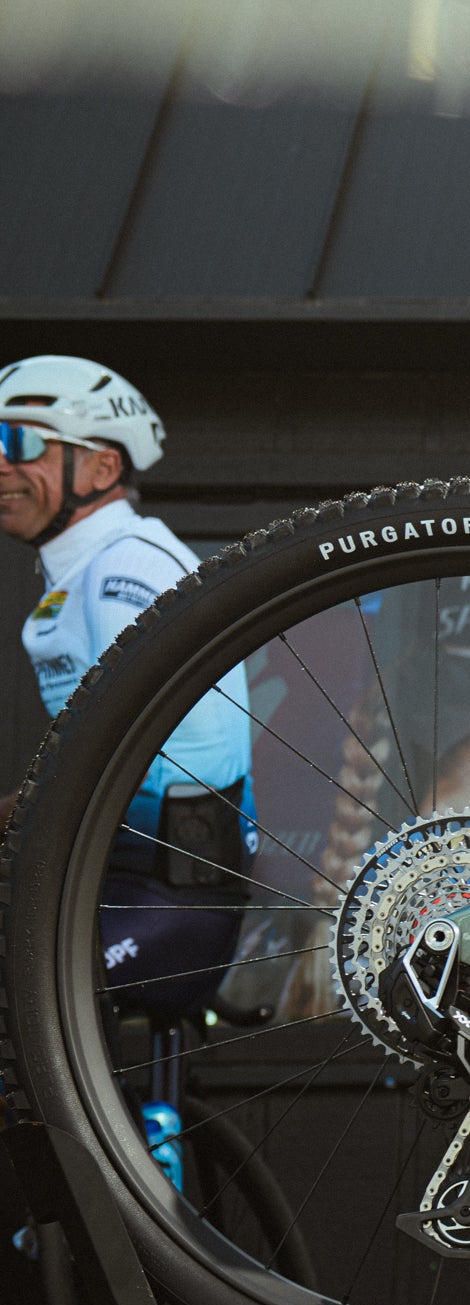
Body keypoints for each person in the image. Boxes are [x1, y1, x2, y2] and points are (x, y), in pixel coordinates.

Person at [0, 355, 254, 1017]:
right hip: (118, 890)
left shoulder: (126, 568)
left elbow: (122, 751)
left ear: (102, 467)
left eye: (18, 439)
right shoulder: (86, 570)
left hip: (168, 906)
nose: (0, 460)